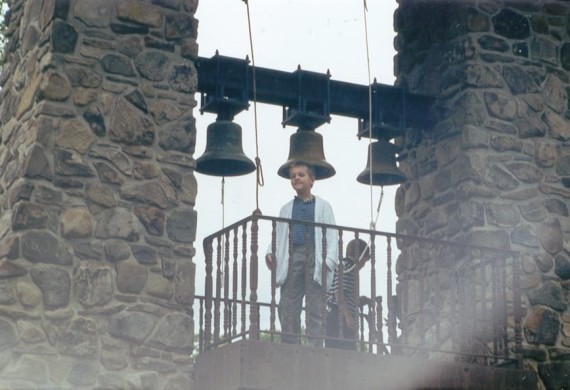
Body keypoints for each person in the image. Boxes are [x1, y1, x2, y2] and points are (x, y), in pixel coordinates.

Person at [265, 161, 338, 346]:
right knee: (288, 303)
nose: (296, 178)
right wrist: (270, 252)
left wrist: (329, 260)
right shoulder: (286, 209)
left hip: (315, 256)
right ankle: (291, 344)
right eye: (293, 176)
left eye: (301, 175)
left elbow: (331, 234)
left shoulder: (323, 206)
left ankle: (314, 346)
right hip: (293, 255)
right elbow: (279, 235)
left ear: (312, 180)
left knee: (315, 304)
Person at [325, 238, 370, 350]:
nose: (364, 264)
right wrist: (348, 317)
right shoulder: (348, 267)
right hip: (338, 318)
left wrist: (357, 300)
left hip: (336, 316)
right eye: (365, 259)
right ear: (359, 256)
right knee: (346, 354)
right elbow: (338, 291)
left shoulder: (343, 266)